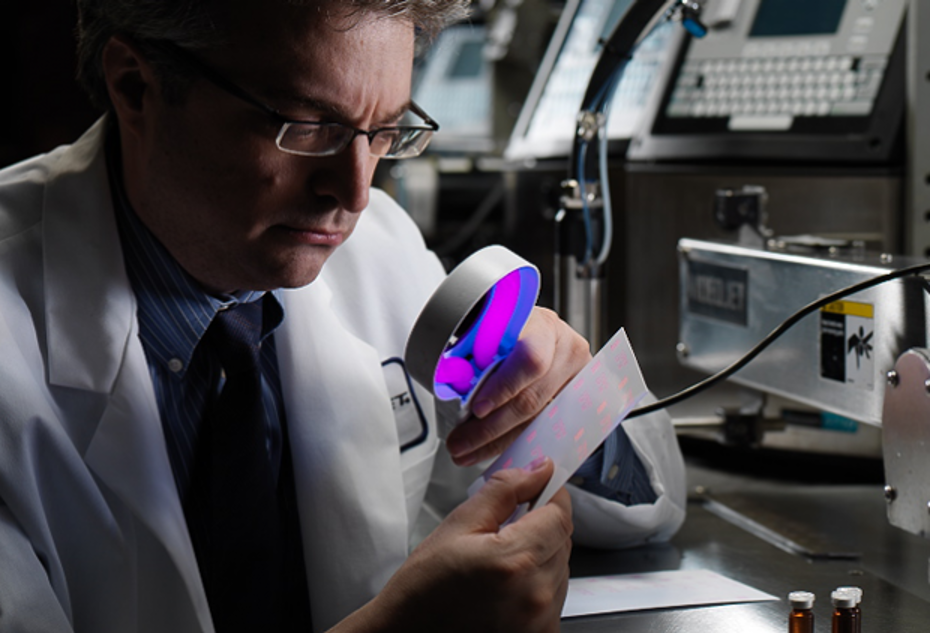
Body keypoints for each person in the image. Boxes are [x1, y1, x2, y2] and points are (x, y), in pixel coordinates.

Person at [0, 0, 686, 631]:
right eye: (308, 125)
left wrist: (568, 406)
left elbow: (649, 508)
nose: (355, 191)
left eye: (385, 131)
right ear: (135, 86)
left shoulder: (377, 249)